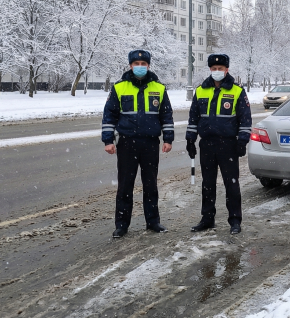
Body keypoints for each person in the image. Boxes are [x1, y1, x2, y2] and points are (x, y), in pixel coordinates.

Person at [102, 50, 174, 238]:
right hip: (127, 143)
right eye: (136, 63)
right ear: (130, 66)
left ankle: (153, 221)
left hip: (150, 143)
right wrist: (108, 140)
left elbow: (166, 116)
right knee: (125, 186)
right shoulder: (119, 88)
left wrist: (168, 139)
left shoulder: (159, 88)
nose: (140, 67)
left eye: (143, 63)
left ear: (148, 66)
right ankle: (122, 225)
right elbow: (109, 115)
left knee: (150, 185)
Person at [186, 54, 252, 235]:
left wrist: (242, 141)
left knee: (231, 184)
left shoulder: (237, 91)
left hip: (228, 144)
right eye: (214, 69)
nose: (217, 71)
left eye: (220, 68)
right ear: (210, 70)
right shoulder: (201, 90)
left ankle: (235, 221)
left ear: (226, 70)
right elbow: (193, 117)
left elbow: (245, 119)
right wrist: (190, 139)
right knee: (207, 183)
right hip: (207, 144)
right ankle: (207, 218)